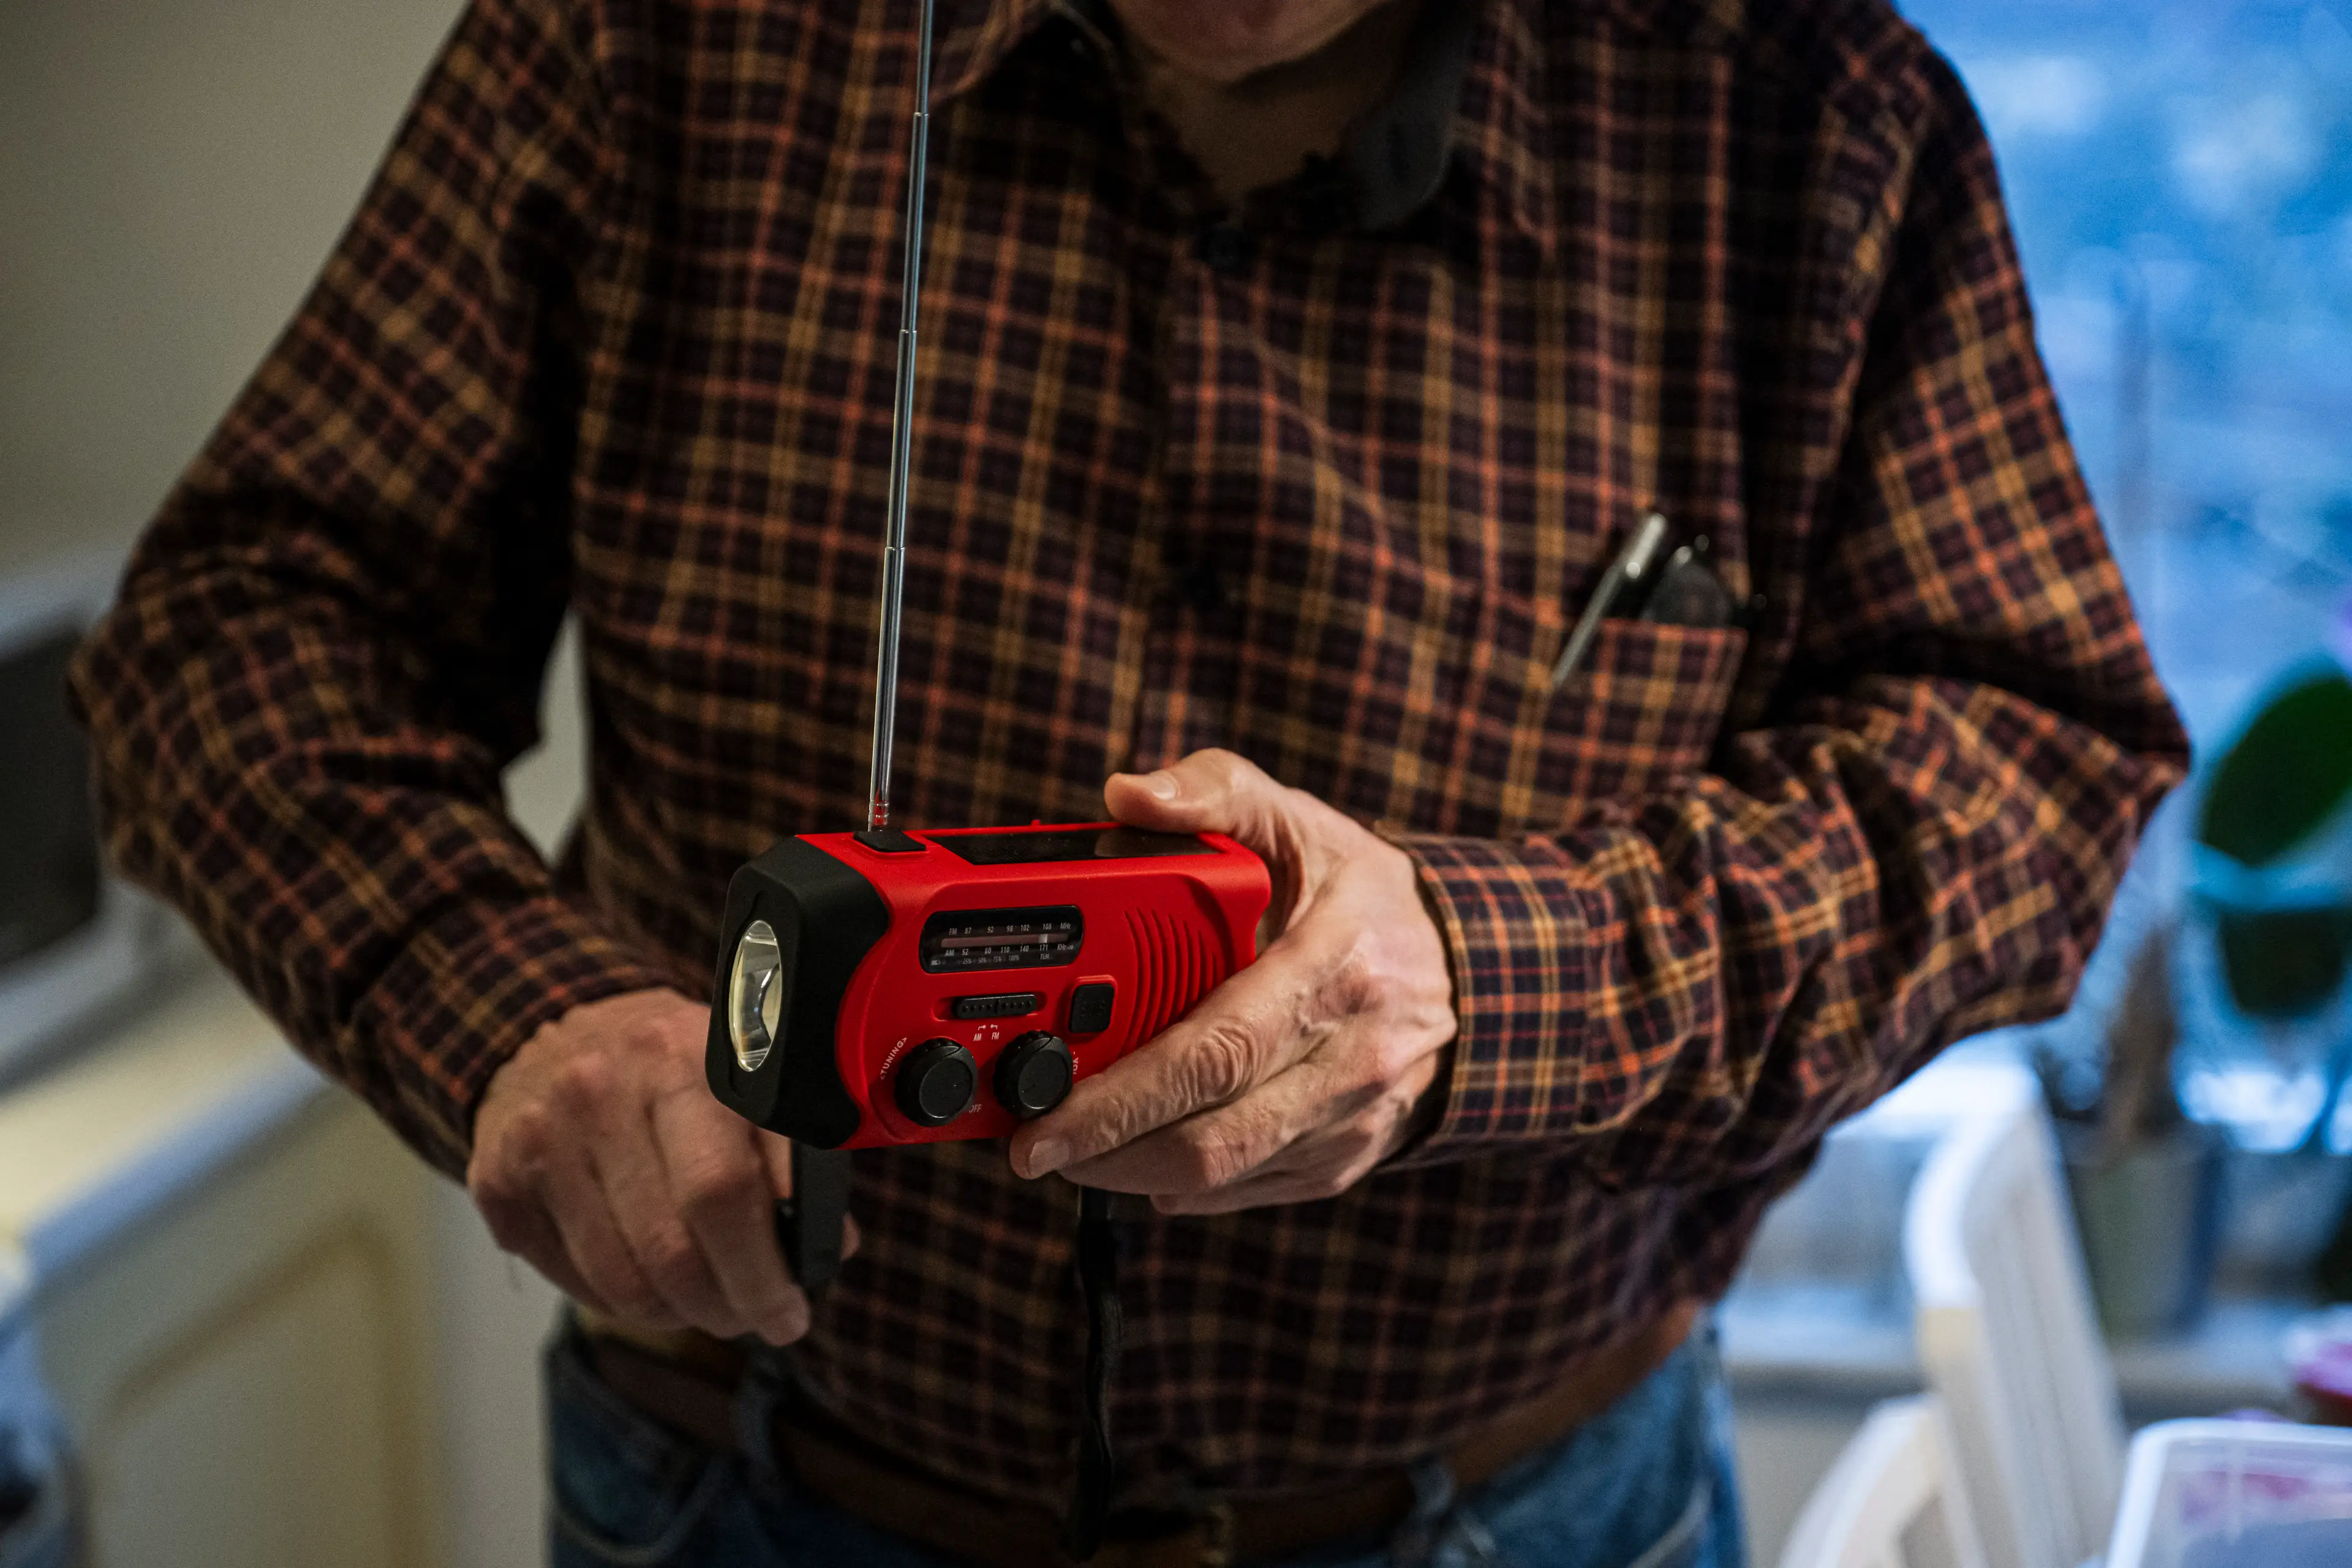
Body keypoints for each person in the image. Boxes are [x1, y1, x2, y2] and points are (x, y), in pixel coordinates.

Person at [69, 0, 2188, 1562]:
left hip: (1523, 1506)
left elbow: (2028, 771)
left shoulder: (1807, 115)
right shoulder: (649, 41)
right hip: (745, 1488)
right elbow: (240, 630)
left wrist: (1488, 977)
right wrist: (506, 1006)